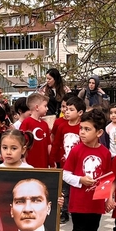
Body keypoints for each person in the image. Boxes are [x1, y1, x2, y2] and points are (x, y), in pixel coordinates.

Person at [63, 109, 112, 231]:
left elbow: (107, 179)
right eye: (81, 128)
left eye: (87, 129)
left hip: (96, 202)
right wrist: (80, 180)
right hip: (78, 202)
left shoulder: (105, 153)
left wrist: (108, 199)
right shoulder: (76, 151)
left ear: (99, 132)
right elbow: (65, 174)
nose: (82, 132)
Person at [51, 95, 84, 224]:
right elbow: (56, 144)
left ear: (80, 113)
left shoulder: (83, 127)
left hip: (79, 165)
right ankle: (64, 212)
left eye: (71, 109)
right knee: (64, 189)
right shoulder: (62, 126)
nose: (66, 111)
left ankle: (77, 209)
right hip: (64, 164)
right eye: (66, 108)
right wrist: (52, 161)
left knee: (77, 188)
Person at [19, 93, 52, 168]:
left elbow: (48, 145)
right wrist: (23, 160)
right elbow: (21, 143)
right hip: (29, 164)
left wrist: (51, 161)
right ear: (37, 107)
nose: (47, 109)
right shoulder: (26, 123)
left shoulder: (45, 124)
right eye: (45, 106)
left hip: (44, 164)